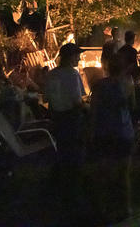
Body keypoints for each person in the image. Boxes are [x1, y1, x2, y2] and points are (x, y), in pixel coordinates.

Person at [90, 51, 137, 221]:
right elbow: (133, 106)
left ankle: (103, 210)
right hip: (124, 132)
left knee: (104, 174)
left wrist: (91, 132)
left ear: (108, 67)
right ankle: (126, 209)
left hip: (104, 133)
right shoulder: (128, 83)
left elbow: (93, 111)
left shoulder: (99, 86)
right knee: (124, 175)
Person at [44, 43, 87, 206]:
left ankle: (60, 188)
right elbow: (77, 101)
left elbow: (47, 98)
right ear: (70, 57)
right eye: (77, 55)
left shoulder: (51, 74)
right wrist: (88, 108)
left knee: (62, 152)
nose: (79, 58)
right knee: (75, 154)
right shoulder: (73, 74)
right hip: (72, 118)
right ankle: (75, 193)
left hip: (57, 117)